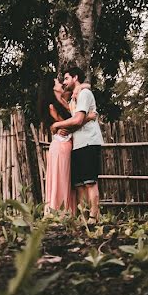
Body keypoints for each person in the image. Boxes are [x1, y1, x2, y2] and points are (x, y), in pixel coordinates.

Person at [50, 66, 104, 223]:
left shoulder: (85, 94)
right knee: (79, 184)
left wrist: (56, 126)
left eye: (67, 78)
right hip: (77, 144)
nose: (64, 82)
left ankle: (94, 217)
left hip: (88, 141)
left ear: (75, 78)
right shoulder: (74, 98)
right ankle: (83, 217)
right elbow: (74, 113)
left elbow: (77, 120)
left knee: (90, 182)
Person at [37, 76, 96, 217]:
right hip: (61, 146)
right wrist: (88, 117)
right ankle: (58, 213)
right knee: (62, 180)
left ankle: (71, 213)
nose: (61, 83)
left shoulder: (64, 100)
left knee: (70, 182)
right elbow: (70, 125)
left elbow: (87, 85)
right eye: (58, 82)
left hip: (70, 144)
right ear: (52, 87)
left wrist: (79, 87)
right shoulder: (52, 106)